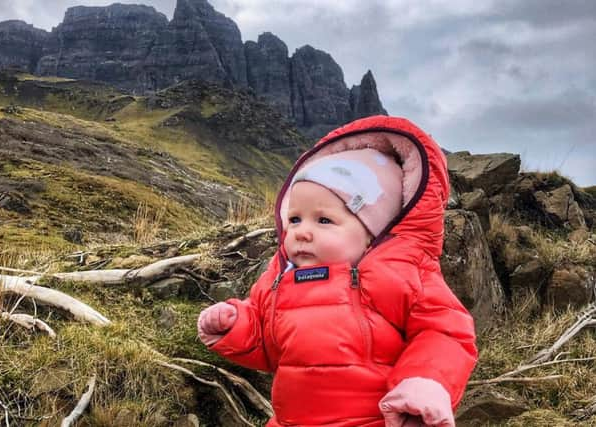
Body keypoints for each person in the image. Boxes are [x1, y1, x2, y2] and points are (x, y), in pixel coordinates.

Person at [197, 115, 478, 427]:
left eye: (324, 220)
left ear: (373, 233)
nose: (302, 232)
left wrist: (425, 382)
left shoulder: (400, 274)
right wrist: (235, 325)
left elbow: (445, 332)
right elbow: (267, 345)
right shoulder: (277, 281)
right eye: (295, 220)